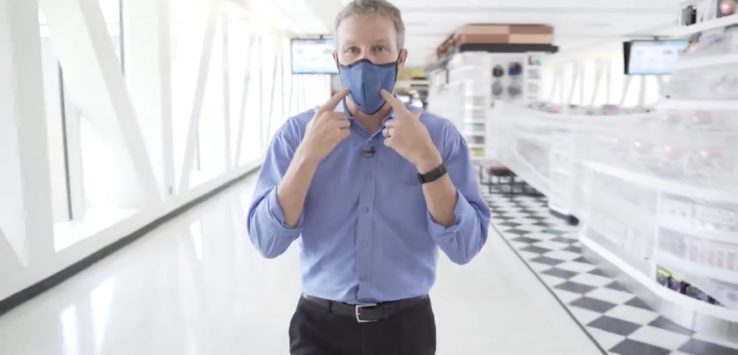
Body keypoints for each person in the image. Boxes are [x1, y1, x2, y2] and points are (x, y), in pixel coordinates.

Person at [246, 0, 490, 354]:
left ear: (400, 59)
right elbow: (267, 242)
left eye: (379, 49)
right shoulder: (297, 135)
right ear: (337, 60)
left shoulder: (439, 137)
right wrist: (307, 157)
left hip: (406, 328)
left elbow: (465, 246)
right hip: (319, 327)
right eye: (352, 50)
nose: (365, 62)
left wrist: (426, 159)